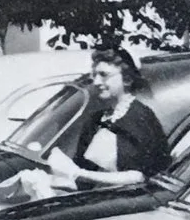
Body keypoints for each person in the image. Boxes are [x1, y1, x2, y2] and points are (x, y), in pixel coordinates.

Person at [52, 46, 171, 189]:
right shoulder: (96, 119)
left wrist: (79, 173)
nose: (96, 82)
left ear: (126, 79)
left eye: (104, 75)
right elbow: (83, 169)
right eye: (94, 75)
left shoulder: (140, 117)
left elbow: (139, 176)